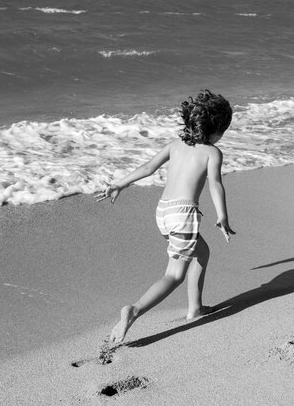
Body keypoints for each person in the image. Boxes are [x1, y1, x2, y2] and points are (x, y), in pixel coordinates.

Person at [95, 90, 236, 344]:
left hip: (163, 212)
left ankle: (195, 309)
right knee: (174, 275)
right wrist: (222, 217)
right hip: (183, 214)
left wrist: (119, 184)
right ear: (216, 130)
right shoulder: (212, 153)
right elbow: (215, 185)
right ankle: (134, 311)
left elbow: (148, 168)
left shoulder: (175, 145)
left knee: (201, 253)